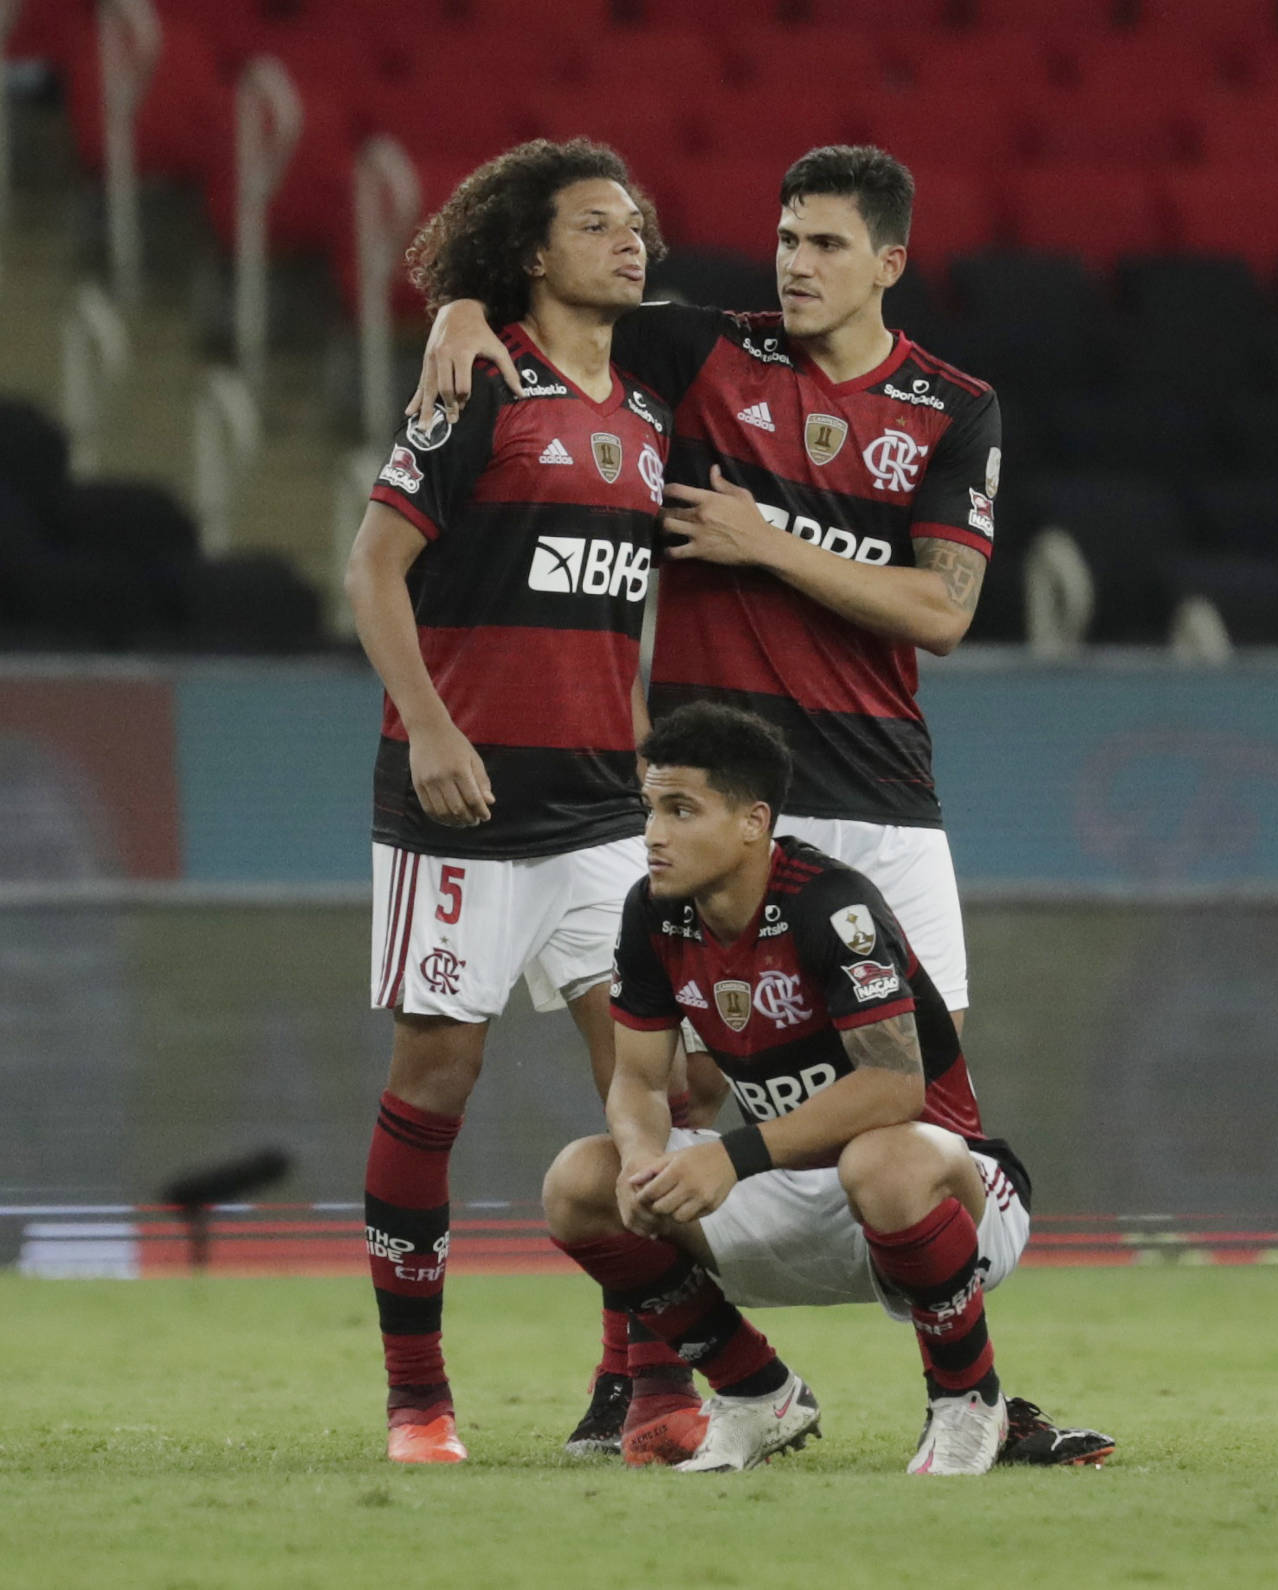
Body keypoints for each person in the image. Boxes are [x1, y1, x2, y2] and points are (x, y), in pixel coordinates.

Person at [409, 144, 995, 1041]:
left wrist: (766, 544)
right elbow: (548, 296)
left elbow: (942, 613)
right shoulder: (702, 353)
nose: (797, 264)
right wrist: (456, 312)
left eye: (828, 245)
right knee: (685, 1084)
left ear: (890, 264)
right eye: (787, 238)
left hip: (881, 796)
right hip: (715, 800)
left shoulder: (952, 408)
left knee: (927, 1089)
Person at [346, 139, 701, 1464]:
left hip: (607, 806)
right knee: (439, 1073)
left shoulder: (653, 402)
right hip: (461, 792)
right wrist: (429, 727)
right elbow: (372, 572)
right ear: (534, 252)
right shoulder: (481, 381)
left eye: (639, 222)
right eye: (598, 223)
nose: (631, 241)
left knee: (652, 1088)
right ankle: (417, 1396)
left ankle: (649, 1381)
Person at [544, 702, 1030, 1474]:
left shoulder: (830, 905)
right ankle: (754, 1393)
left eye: (681, 810)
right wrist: (641, 1159)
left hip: (946, 1191)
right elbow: (636, 1078)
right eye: (650, 810)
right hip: (794, 1183)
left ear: (752, 822)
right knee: (578, 1182)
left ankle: (970, 1403)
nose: (653, 835)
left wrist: (729, 1157)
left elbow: (895, 1089)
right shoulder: (653, 914)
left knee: (883, 1159)